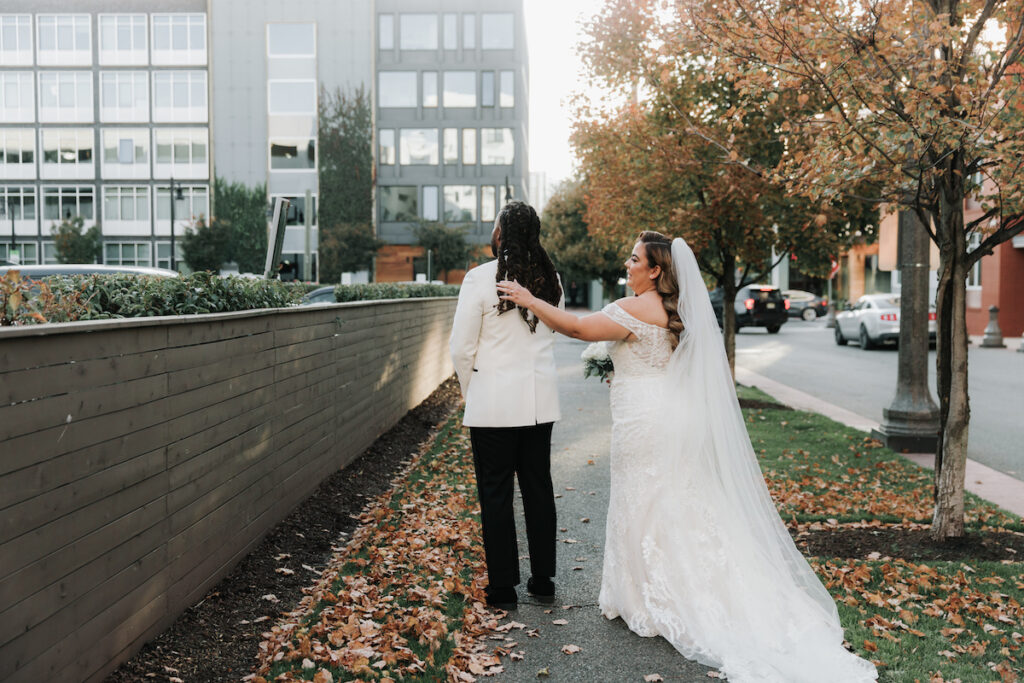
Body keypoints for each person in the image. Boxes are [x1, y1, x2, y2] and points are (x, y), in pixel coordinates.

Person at [496, 231, 877, 682]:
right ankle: (653, 588)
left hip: (646, 421)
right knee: (668, 497)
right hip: (662, 411)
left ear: (655, 270)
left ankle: (653, 594)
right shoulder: (665, 309)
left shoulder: (638, 306)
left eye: (634, 258)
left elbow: (577, 328)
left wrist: (528, 297)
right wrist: (618, 366)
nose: (627, 263)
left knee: (649, 499)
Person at [449, 200, 564, 610]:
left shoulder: (479, 279)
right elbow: (555, 331)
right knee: (538, 489)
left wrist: (472, 391)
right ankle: (543, 579)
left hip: (493, 406)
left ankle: (502, 588)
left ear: (501, 233)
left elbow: (461, 348)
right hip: (538, 404)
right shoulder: (551, 281)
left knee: (495, 494)